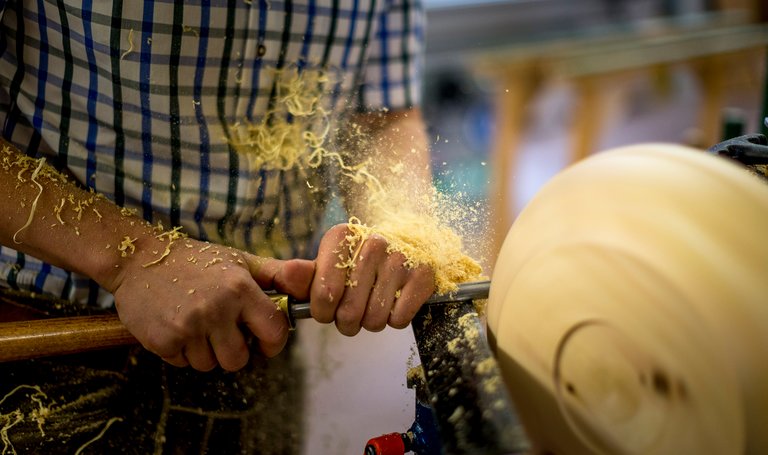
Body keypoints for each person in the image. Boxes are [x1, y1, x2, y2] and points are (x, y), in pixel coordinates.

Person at [0, 0, 435, 452]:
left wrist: (399, 229)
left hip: (263, 336)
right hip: (51, 340)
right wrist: (133, 258)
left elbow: (384, 119)